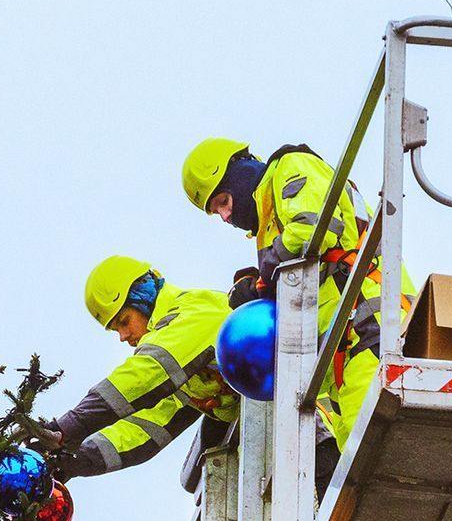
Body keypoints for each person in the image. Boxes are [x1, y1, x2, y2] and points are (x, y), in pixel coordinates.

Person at [179, 137, 413, 460]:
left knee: (379, 461)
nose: (224, 215)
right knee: (362, 475)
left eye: (222, 200)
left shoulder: (291, 166)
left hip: (368, 332)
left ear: (239, 173)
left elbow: (312, 227)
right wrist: (261, 286)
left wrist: (263, 282)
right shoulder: (268, 224)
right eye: (216, 210)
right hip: (341, 361)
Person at [33, 256, 240, 481]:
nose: (123, 337)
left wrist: (69, 426)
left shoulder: (194, 310)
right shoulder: (177, 368)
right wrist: (76, 460)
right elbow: (146, 428)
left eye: (124, 321)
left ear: (144, 298)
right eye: (115, 330)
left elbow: (144, 374)